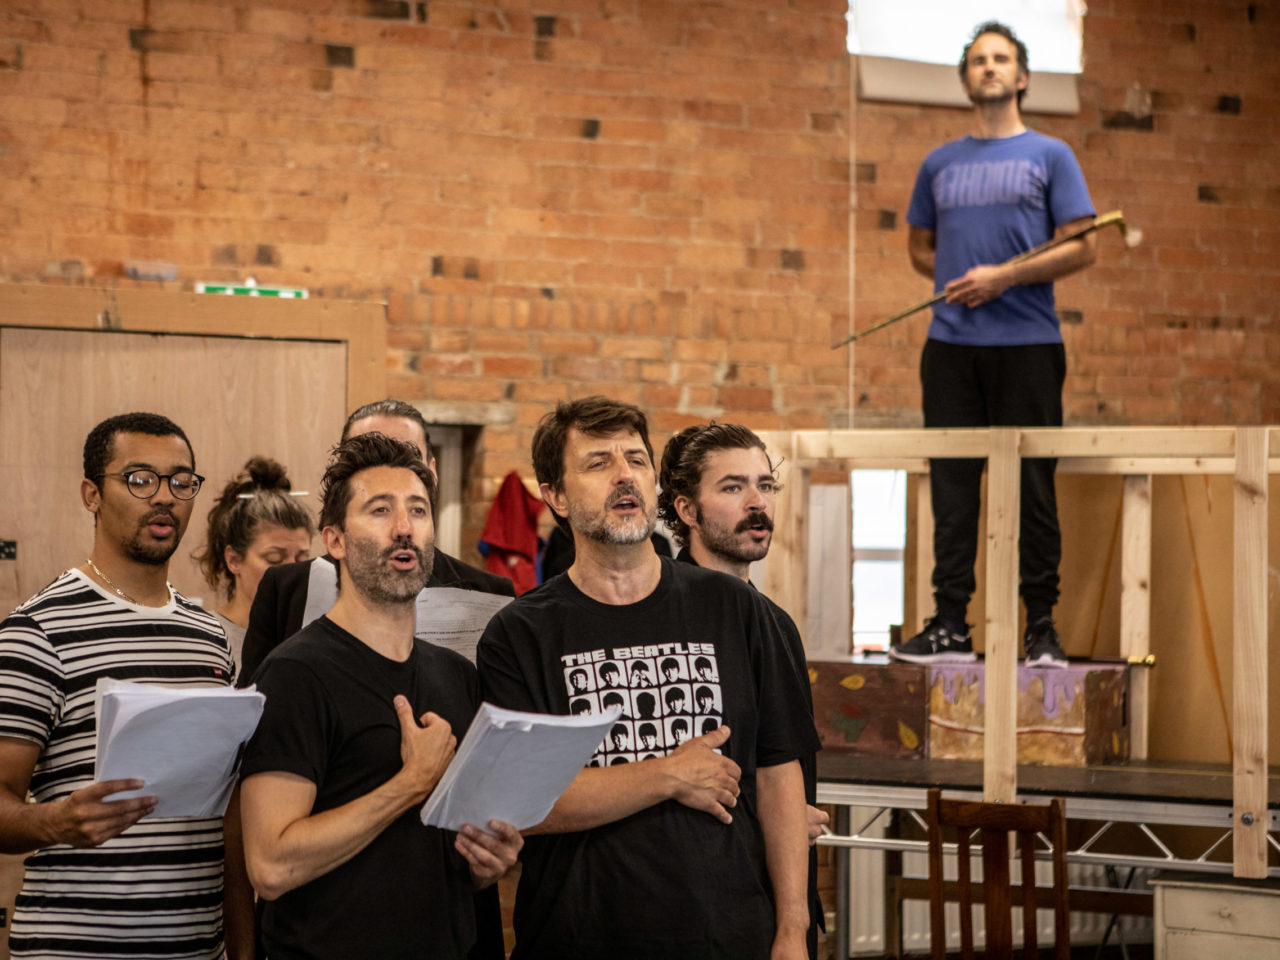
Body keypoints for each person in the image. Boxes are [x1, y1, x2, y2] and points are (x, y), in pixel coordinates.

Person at [477, 396, 817, 960]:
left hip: (729, 936)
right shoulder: (519, 633)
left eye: (636, 459)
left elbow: (781, 776)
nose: (624, 476)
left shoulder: (737, 609)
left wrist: (792, 932)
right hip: (579, 937)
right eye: (597, 463)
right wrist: (669, 775)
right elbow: (520, 805)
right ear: (555, 496)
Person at [238, 433, 522, 959]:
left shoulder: (458, 677)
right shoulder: (295, 674)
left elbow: (446, 860)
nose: (404, 528)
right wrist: (410, 782)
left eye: (418, 510)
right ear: (336, 541)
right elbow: (271, 865)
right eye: (379, 510)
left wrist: (488, 863)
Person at [0, 412, 246, 959]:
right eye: (140, 479)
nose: (165, 497)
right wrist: (55, 821)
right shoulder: (38, 630)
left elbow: (229, 820)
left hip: (194, 949)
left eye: (181, 481)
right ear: (92, 494)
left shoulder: (209, 638)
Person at [896, 20, 1097, 669]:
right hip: (950, 346)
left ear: (1023, 77)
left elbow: (1083, 243)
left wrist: (1002, 277)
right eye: (978, 60)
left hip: (1028, 344)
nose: (989, 67)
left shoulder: (1051, 155)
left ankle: (1041, 628)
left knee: (1034, 488)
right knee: (952, 491)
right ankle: (951, 623)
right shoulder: (938, 163)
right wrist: (959, 279)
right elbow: (920, 246)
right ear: (965, 79)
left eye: (1000, 58)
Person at [657, 420, 828, 960]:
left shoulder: (776, 623)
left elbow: (784, 761)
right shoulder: (659, 618)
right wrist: (776, 818)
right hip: (693, 910)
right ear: (686, 510)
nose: (757, 503)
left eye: (765, 486)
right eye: (733, 488)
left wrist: (795, 923)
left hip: (775, 904)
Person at [239, 399, 514, 682]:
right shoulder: (286, 592)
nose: (389, 469)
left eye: (407, 454)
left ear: (431, 472)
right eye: (367, 454)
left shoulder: (489, 595)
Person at [195, 456, 314, 668]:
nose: (292, 571)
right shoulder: (205, 639)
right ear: (234, 560)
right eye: (274, 559)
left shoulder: (314, 636)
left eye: (302, 558)